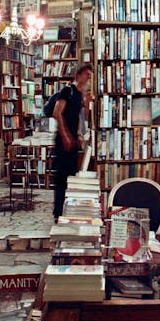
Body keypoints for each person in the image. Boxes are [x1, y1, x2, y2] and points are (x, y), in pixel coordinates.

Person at [51, 63, 92, 222]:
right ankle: (58, 213)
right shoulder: (67, 91)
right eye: (86, 75)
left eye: (90, 76)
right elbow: (57, 113)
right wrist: (66, 136)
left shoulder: (82, 94)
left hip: (73, 140)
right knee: (61, 178)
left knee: (71, 176)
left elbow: (79, 119)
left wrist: (78, 135)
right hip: (63, 141)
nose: (88, 78)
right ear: (79, 75)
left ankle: (67, 211)